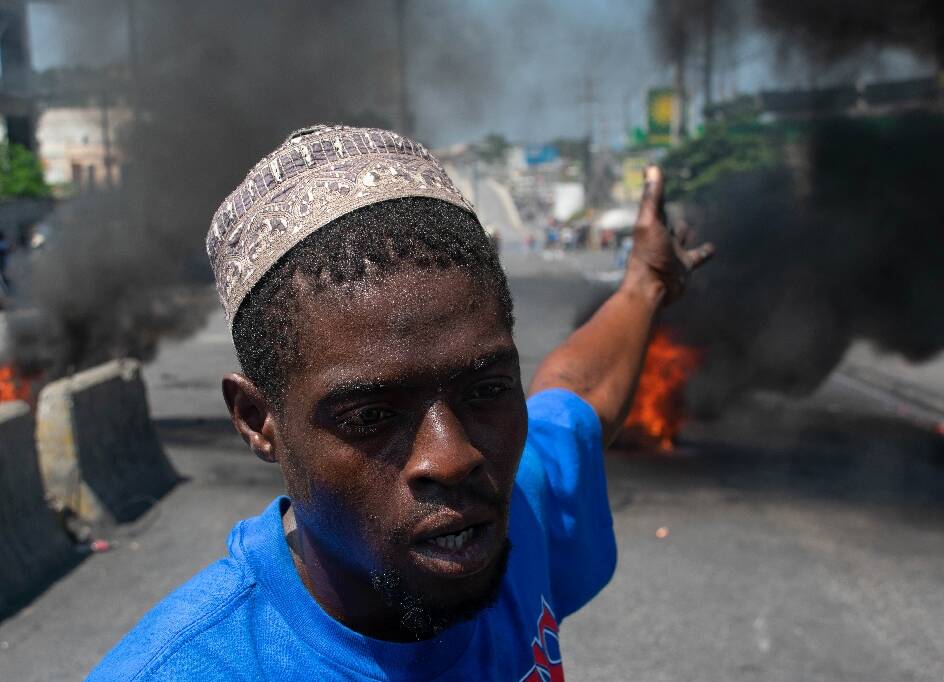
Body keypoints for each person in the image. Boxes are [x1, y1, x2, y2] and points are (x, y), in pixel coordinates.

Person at [89, 124, 712, 680]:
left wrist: (646, 285)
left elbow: (578, 394)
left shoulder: (513, 506)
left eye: (487, 390)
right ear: (258, 421)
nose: (453, 457)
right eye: (370, 416)